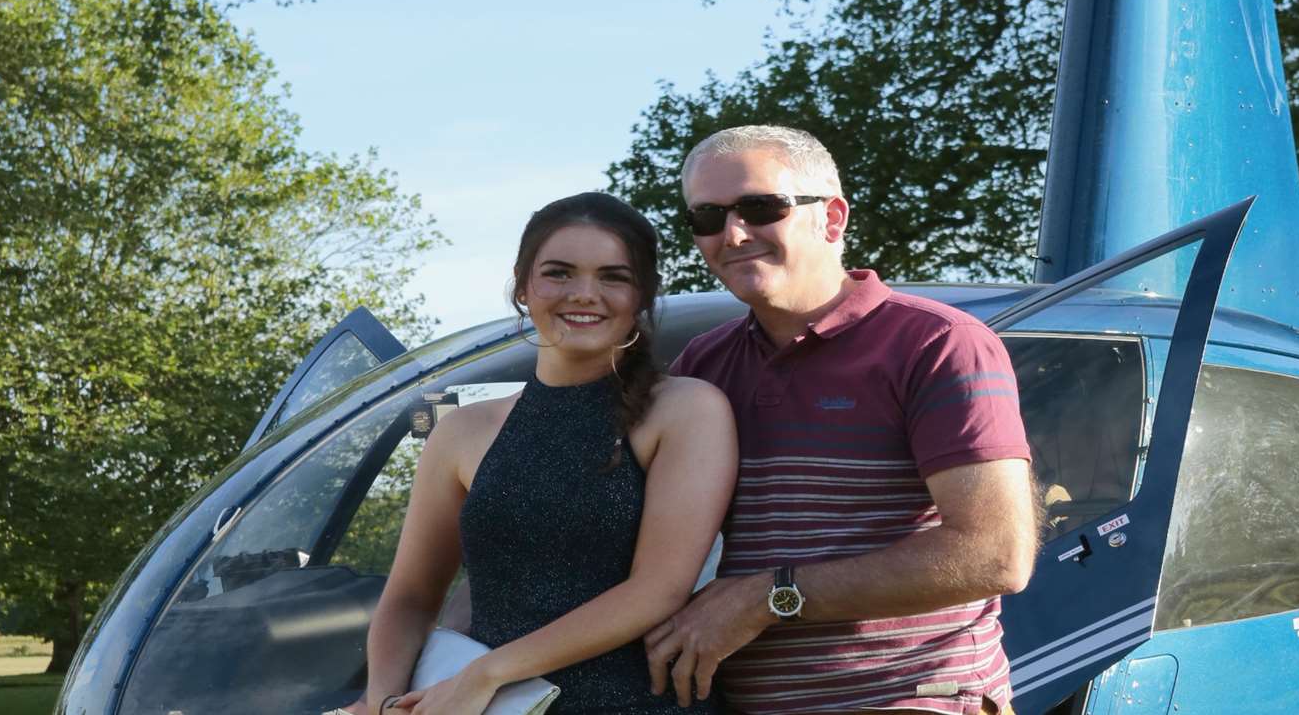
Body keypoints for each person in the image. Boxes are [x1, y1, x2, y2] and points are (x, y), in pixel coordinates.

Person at [645, 126, 1038, 715]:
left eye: (760, 207)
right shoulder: (702, 365)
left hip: (914, 699)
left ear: (831, 219)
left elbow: (996, 553)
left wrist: (767, 596)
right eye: (707, 216)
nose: (733, 233)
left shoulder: (939, 343)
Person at [354, 192, 738, 715]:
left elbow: (657, 592)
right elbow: (409, 598)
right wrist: (383, 702)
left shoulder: (686, 410)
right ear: (522, 286)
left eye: (613, 277)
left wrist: (487, 673)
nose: (585, 294)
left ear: (642, 294)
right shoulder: (462, 431)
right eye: (559, 273)